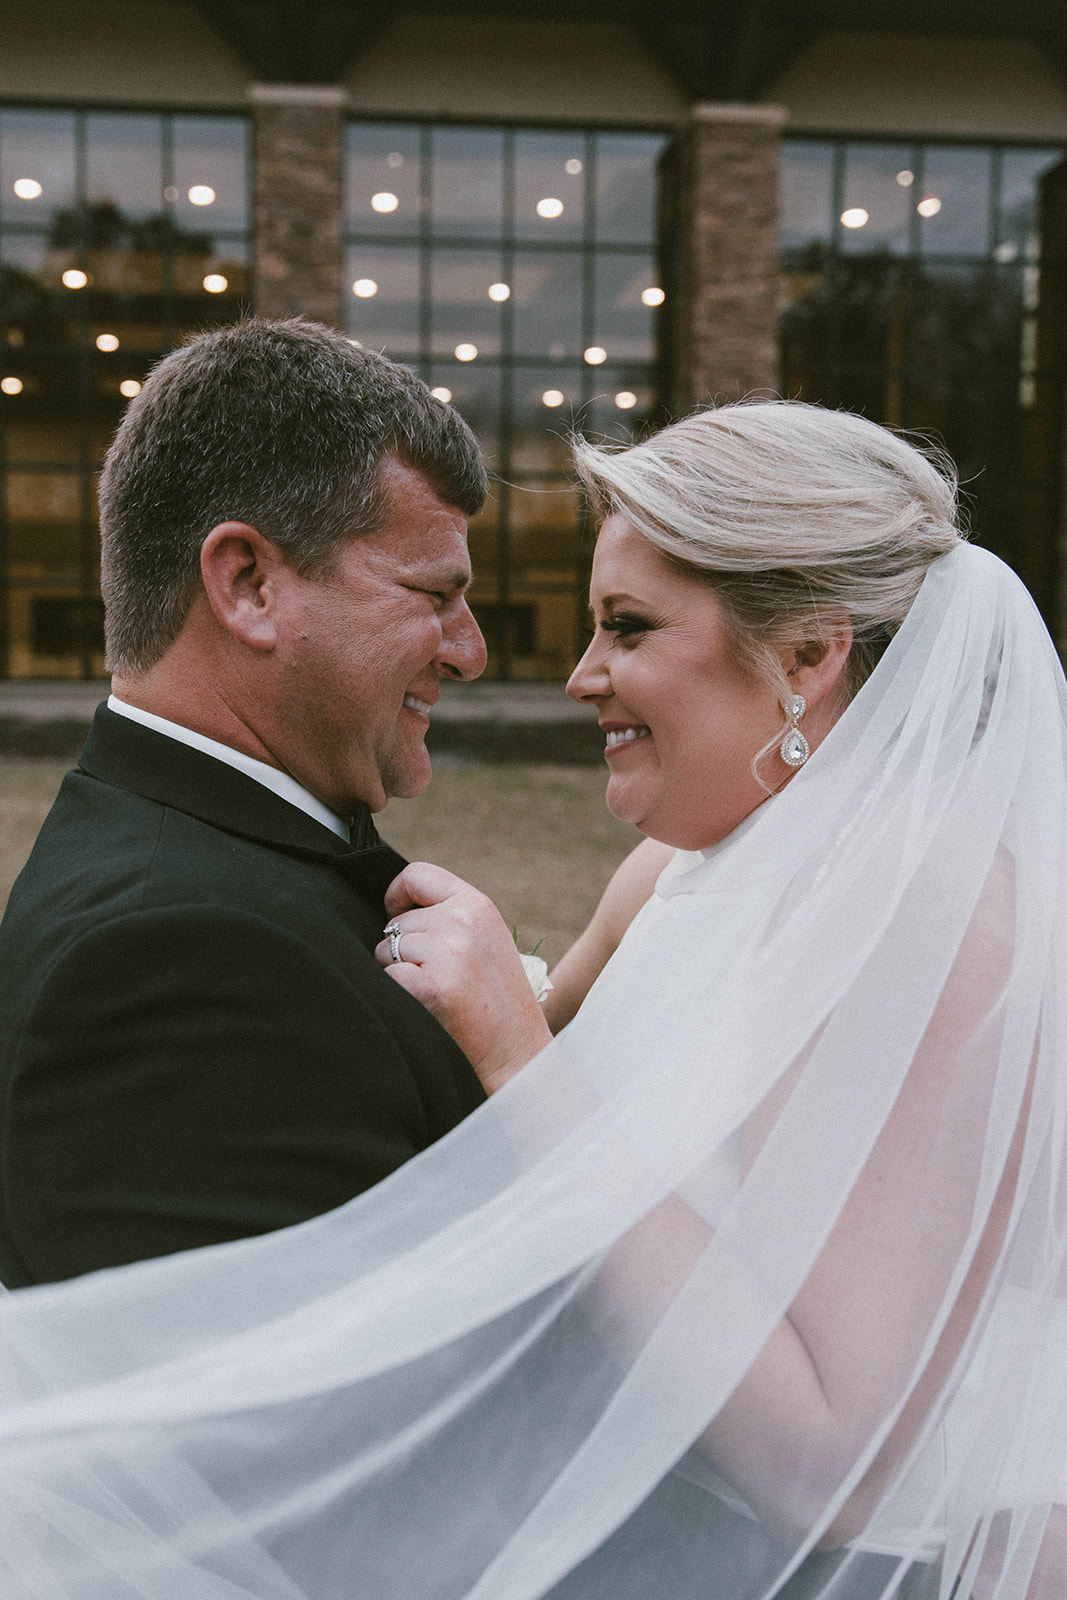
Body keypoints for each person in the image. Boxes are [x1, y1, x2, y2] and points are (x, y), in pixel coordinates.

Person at [1, 401, 1065, 1600]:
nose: (576, 676)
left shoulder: (930, 913)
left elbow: (834, 1463)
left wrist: (524, 1055)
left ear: (807, 658)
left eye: (625, 626)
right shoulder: (669, 870)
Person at [0, 317, 493, 1288]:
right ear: (249, 584)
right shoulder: (173, 957)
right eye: (434, 594)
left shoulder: (213, 867)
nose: (468, 649)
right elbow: (304, 1427)